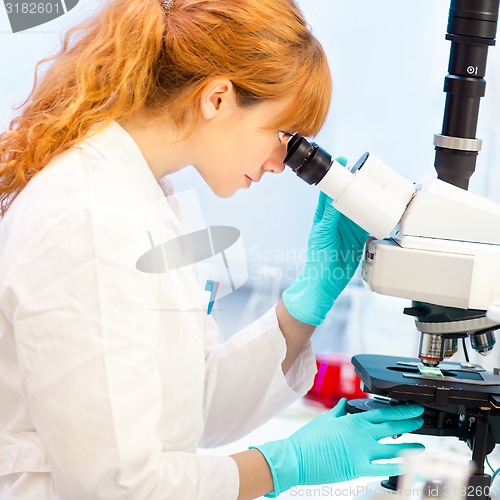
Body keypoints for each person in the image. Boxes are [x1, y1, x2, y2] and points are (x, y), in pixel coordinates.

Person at [0, 0, 425, 498]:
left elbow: (186, 405)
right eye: (282, 136)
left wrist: (314, 292)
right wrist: (283, 464)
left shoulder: (143, 198)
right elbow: (117, 487)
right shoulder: (89, 218)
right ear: (218, 98)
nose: (278, 164)